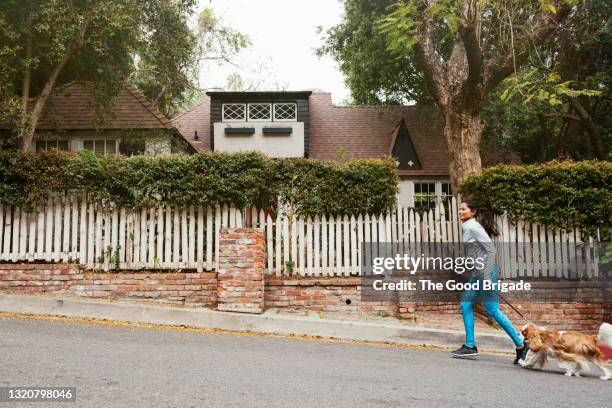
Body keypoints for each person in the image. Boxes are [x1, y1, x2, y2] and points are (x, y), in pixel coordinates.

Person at [451, 199, 529, 364]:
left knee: (492, 310)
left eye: (463, 209)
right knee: (466, 305)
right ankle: (470, 346)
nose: (460, 212)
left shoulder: (473, 227)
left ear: (473, 212)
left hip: (486, 272)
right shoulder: (468, 227)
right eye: (459, 209)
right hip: (477, 273)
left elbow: (491, 250)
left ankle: (521, 344)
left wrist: (486, 276)